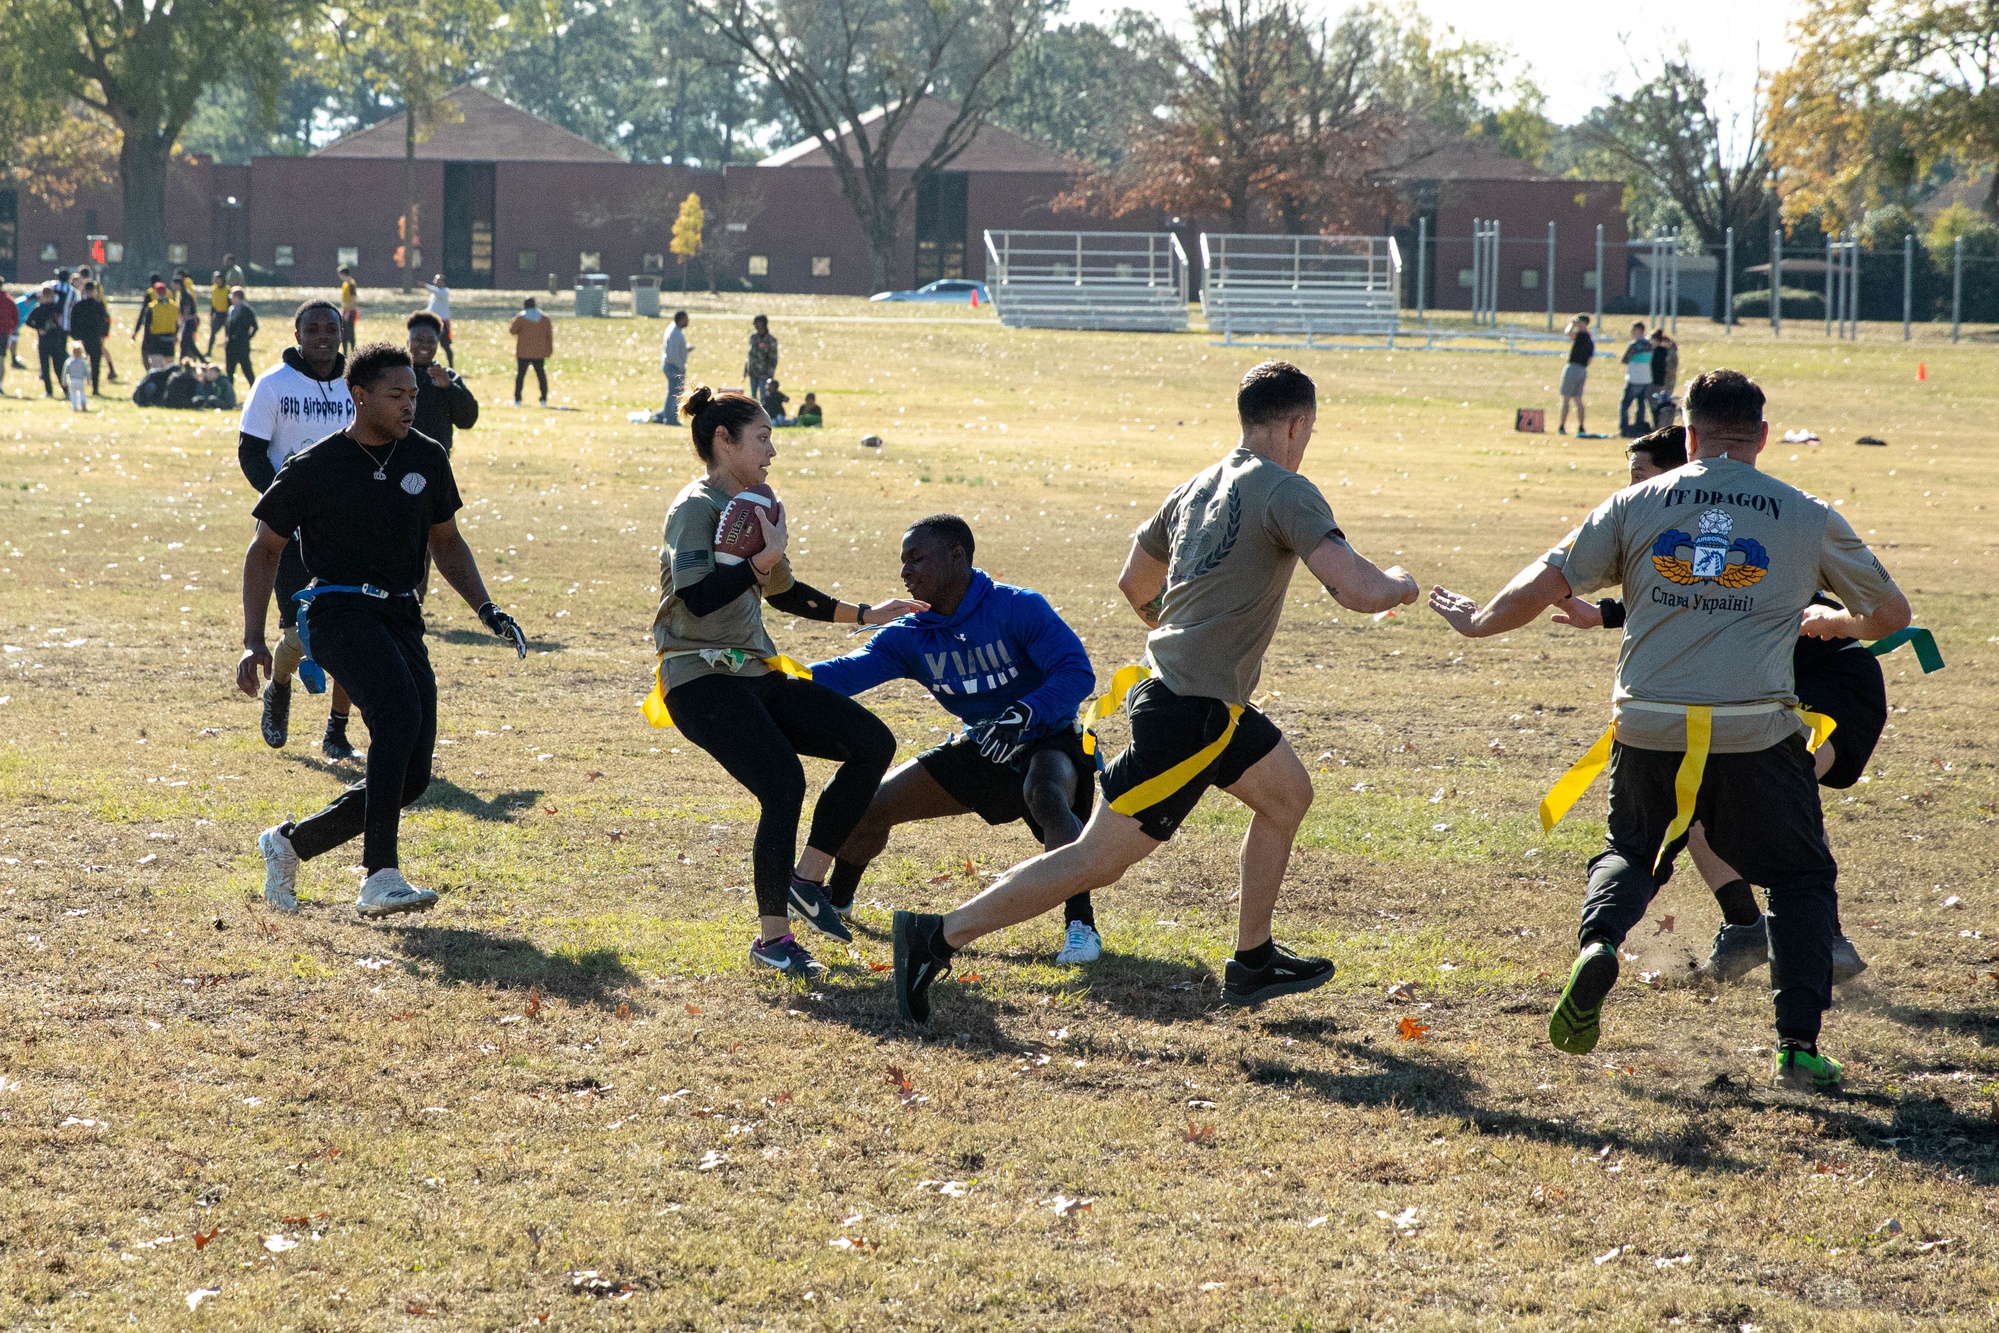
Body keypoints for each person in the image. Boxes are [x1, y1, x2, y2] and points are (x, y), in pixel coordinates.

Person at [891, 362, 1421, 1024]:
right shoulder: (1288, 490)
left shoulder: (1196, 486)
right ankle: (934, 936)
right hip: (1189, 714)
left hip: (1199, 700)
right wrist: (1400, 583)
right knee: (1093, 860)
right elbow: (1357, 589)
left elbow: (1134, 583)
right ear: (1298, 423)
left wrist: (1178, 628)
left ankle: (1252, 959)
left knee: (1287, 796)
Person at [1427, 370, 1911, 1092]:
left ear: (1688, 436)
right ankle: (1796, 1047)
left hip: (1647, 725)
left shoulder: (1635, 500)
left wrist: (1476, 621)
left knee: (1631, 850)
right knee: (1800, 877)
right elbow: (1891, 615)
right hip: (1753, 730)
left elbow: (1547, 580)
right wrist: (1835, 621)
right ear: (1763, 435)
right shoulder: (1804, 513)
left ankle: (1597, 943)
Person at [1547, 426, 1879, 985]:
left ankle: (1825, 939)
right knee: (1695, 796)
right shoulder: (1670, 517)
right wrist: (1604, 614)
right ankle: (1749, 927)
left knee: (1783, 794)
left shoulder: (1761, 516)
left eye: (1644, 478)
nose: (1637, 492)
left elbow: (1734, 593)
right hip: (1753, 698)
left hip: (1828, 688)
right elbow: (1694, 594)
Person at [239, 342, 526, 918]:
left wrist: (485, 607)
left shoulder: (427, 457)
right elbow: (264, 550)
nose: (410, 405)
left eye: (414, 395)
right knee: (395, 715)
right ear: (359, 394)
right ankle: (379, 876)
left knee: (413, 776)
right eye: (396, 395)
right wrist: (252, 640)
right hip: (337, 611)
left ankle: (291, 844)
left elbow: (446, 542)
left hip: (400, 615)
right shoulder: (315, 465)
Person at [648, 386, 918, 975]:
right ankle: (773, 940)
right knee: (783, 783)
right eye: (762, 437)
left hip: (755, 673)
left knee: (872, 743)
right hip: (697, 679)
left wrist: (867, 613)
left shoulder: (757, 503)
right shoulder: (695, 508)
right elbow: (693, 602)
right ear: (724, 440)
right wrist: (755, 564)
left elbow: (785, 593)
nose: (773, 449)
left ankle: (806, 881)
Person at [809, 515, 1106, 963]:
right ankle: (839, 899)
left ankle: (1081, 927)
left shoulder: (1018, 607)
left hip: (1049, 738)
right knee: (870, 804)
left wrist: (1022, 715)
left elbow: (1076, 672)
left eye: (916, 559)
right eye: (903, 562)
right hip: (983, 745)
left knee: (1045, 795)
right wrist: (771, 675)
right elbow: (844, 674)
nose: (905, 572)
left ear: (957, 556)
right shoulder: (909, 634)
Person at [239, 301, 358, 758]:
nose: (323, 337)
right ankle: (280, 686)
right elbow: (251, 453)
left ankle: (337, 730)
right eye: (313, 329)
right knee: (296, 633)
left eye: (331, 329)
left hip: (348, 526)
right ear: (297, 334)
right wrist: (288, 501)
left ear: (342, 333)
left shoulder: (358, 385)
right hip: (290, 527)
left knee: (352, 627)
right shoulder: (272, 385)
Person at [406, 312, 477, 454]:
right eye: (418, 340)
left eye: (431, 341)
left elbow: (467, 421)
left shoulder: (448, 376)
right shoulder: (394, 375)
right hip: (398, 457)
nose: (425, 346)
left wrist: (449, 388)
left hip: (436, 460)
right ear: (408, 341)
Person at [68, 281, 110, 395]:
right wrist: (103, 335)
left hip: (81, 338)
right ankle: (95, 388)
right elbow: (106, 322)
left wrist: (74, 336)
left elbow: (72, 322)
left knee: (79, 363)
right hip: (95, 337)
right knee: (95, 364)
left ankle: (79, 386)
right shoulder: (99, 306)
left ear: (84, 291)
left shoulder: (78, 306)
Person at [509, 296, 552, 405]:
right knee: (541, 376)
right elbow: (549, 336)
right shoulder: (544, 319)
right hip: (539, 352)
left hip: (523, 352)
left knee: (520, 376)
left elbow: (512, 331)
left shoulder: (521, 318)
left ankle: (517, 399)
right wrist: (549, 350)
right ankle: (543, 399)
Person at [25, 285, 68, 396]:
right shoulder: (52, 308)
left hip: (48, 340)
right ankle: (59, 390)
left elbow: (28, 322)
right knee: (53, 367)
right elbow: (63, 295)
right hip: (52, 340)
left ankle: (55, 391)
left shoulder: (45, 308)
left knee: (51, 367)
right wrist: (54, 290)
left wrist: (38, 328)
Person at [133, 281, 180, 370]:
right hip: (170, 340)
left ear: (155, 292)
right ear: (166, 292)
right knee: (169, 369)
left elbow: (147, 328)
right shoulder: (174, 307)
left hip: (156, 340)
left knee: (157, 369)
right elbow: (177, 324)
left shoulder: (152, 308)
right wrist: (176, 336)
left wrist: (146, 343)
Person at [655, 309, 691, 424]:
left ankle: (666, 416)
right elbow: (672, 355)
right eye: (686, 319)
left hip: (669, 365)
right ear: (680, 320)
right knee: (675, 394)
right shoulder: (676, 333)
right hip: (673, 367)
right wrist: (680, 368)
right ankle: (671, 419)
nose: (687, 321)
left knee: (672, 392)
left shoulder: (673, 329)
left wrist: (686, 350)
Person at [1559, 314, 1592, 436]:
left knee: (1565, 398)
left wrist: (1571, 323)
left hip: (1573, 367)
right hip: (1583, 369)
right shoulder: (1589, 338)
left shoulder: (1581, 336)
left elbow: (1568, 333)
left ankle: (1562, 426)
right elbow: (1590, 359)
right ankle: (1581, 426)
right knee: (1578, 399)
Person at [1618, 321, 1653, 436]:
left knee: (1625, 405)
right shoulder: (1650, 344)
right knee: (1641, 405)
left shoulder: (1634, 345)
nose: (1632, 332)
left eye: (1634, 330)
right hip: (1646, 379)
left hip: (1634, 379)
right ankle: (1639, 427)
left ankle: (1624, 429)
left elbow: (1625, 359)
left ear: (1639, 331)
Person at [223, 288, 259, 389]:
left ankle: (254, 389)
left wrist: (247, 337)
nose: (231, 299)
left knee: (247, 369)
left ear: (239, 298)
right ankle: (230, 394)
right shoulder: (231, 310)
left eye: (233, 296)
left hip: (242, 345)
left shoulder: (247, 310)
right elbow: (227, 326)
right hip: (230, 345)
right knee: (230, 370)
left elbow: (255, 326)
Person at [1648, 327, 1680, 428]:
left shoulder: (1662, 352)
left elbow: (1667, 369)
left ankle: (1659, 426)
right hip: (1664, 382)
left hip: (1661, 382)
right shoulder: (1668, 351)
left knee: (1659, 406)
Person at [420, 275, 453, 367]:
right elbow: (431, 308)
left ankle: (451, 366)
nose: (435, 281)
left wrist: (426, 286)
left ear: (443, 282)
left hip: (442, 323)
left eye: (437, 280)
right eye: (434, 279)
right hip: (433, 322)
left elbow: (437, 292)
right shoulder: (434, 294)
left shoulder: (444, 292)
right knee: (429, 343)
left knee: (445, 345)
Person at [744, 314, 777, 404]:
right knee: (753, 397)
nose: (756, 325)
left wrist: (770, 374)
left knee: (763, 397)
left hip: (764, 373)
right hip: (753, 371)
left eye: (758, 323)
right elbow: (750, 354)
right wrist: (746, 368)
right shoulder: (753, 337)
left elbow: (773, 358)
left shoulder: (770, 340)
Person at [175, 270, 205, 363]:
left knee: (186, 343)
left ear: (178, 285)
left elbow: (187, 309)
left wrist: (181, 320)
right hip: (188, 321)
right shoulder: (182, 294)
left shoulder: (185, 295)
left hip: (190, 321)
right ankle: (202, 360)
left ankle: (182, 363)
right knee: (189, 344)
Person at [205, 271, 230, 357]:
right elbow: (213, 305)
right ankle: (209, 352)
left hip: (226, 314)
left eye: (218, 279)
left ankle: (229, 353)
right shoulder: (214, 290)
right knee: (213, 333)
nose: (217, 281)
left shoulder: (227, 290)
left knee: (228, 335)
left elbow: (230, 304)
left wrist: (229, 317)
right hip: (218, 314)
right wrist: (212, 316)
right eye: (215, 279)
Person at [338, 266, 360, 352]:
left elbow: (353, 299)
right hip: (345, 311)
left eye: (340, 274)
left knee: (350, 333)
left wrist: (348, 311)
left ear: (344, 274)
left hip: (350, 312)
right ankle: (345, 351)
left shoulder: (351, 284)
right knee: (344, 333)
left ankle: (353, 350)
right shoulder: (345, 284)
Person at [63, 342, 89, 411]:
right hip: (81, 380)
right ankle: (83, 403)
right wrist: (89, 379)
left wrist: (64, 381)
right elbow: (87, 371)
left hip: (72, 381)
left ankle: (74, 407)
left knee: (73, 394)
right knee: (82, 392)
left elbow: (65, 372)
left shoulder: (69, 361)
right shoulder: (83, 362)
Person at [0, 281, 16, 394]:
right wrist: (10, 328)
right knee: (1, 359)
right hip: (3, 333)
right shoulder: (8, 300)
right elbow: (15, 317)